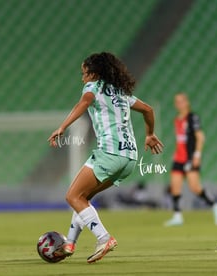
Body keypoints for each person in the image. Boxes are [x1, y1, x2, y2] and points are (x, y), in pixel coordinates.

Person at [48, 52, 163, 263]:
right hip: (129, 158)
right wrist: (149, 134)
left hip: (109, 153)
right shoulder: (120, 92)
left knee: (73, 196)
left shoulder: (92, 88)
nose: (82, 78)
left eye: (84, 73)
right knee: (83, 198)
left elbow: (83, 103)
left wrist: (62, 127)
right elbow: (148, 110)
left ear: (94, 74)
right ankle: (70, 243)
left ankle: (104, 238)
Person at [164, 93, 217, 226]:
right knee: (175, 187)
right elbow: (180, 140)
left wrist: (197, 155)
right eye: (177, 102)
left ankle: (215, 206)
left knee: (195, 187)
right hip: (178, 158)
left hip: (190, 158)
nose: (179, 104)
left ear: (187, 102)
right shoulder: (177, 120)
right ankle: (177, 216)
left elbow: (200, 137)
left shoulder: (192, 118)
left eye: (181, 101)